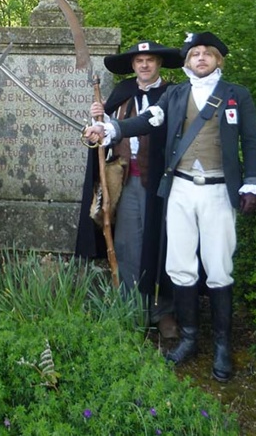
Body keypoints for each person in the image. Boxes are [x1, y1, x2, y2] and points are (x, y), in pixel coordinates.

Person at [84, 31, 256, 381]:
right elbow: (147, 120)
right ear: (186, 61)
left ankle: (222, 347)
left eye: (207, 53)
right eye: (194, 53)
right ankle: (188, 339)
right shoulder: (175, 95)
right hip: (180, 190)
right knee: (181, 265)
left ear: (217, 59)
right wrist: (111, 129)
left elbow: (251, 140)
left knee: (218, 268)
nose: (200, 58)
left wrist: (254, 183)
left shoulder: (236, 96)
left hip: (217, 191)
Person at [75, 40, 183, 339]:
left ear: (159, 64)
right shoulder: (121, 95)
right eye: (139, 61)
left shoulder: (173, 94)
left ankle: (164, 312)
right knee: (127, 246)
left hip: (164, 184)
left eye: (150, 60)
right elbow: (106, 140)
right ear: (133, 66)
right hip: (128, 181)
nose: (145, 65)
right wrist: (101, 119)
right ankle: (132, 309)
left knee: (164, 245)